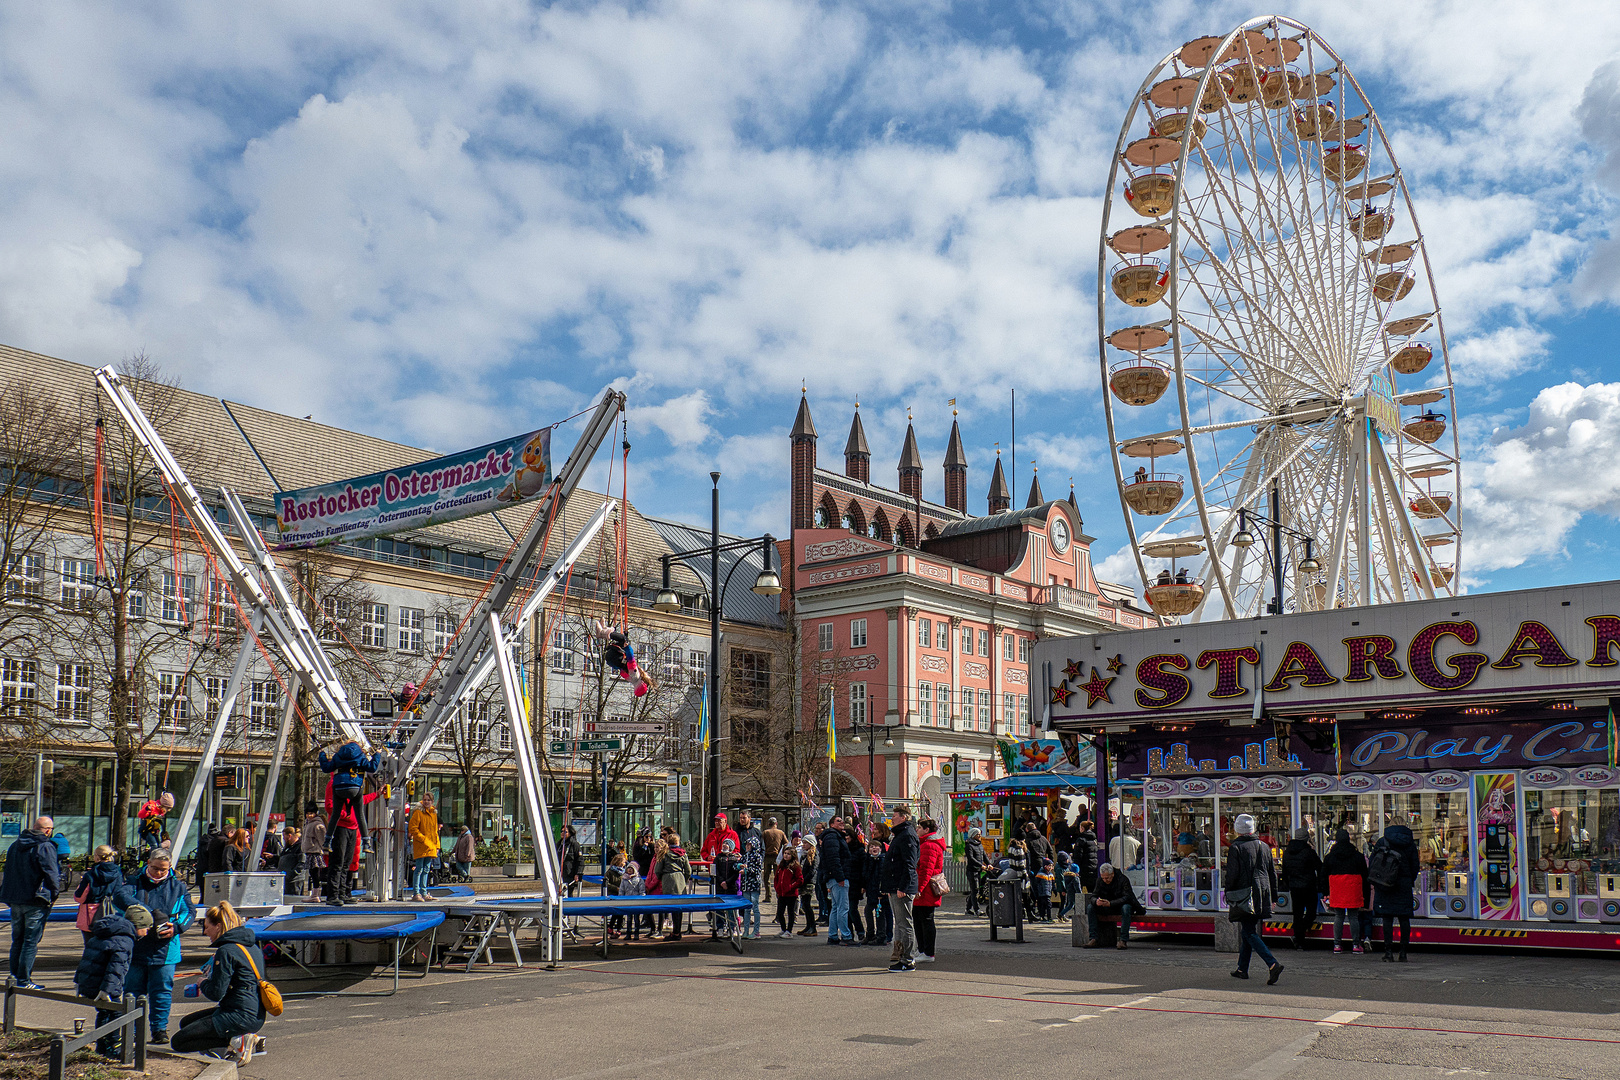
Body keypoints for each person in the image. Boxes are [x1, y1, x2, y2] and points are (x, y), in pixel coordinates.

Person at [115, 849, 194, 1044]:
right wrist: (149, 914)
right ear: (148, 863)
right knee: (132, 991)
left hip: (166, 948)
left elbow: (189, 911)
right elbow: (120, 899)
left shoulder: (178, 887)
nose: (159, 873)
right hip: (136, 946)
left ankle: (159, 1029)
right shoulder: (133, 881)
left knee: (162, 991)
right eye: (155, 868)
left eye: (164, 869)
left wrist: (176, 927)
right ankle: (132, 1030)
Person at [172, 901, 267, 1063]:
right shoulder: (250, 946)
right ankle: (235, 1041)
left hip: (239, 1014)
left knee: (179, 1041)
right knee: (186, 1023)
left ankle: (236, 1042)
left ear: (218, 926)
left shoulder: (226, 951)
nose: (205, 932)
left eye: (207, 927)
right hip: (254, 1011)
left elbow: (216, 993)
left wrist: (203, 983)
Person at [76, 903, 152, 1057]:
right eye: (147, 927)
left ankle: (101, 1046)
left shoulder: (109, 932)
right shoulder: (124, 940)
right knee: (117, 1013)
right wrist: (108, 991)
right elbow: (116, 968)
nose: (147, 931)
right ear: (138, 925)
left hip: (90, 981)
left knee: (104, 1013)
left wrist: (80, 983)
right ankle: (113, 1046)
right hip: (104, 986)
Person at [2, 815, 61, 990]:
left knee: (17, 939)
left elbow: (9, 871)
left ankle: (14, 977)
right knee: (30, 941)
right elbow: (51, 873)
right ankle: (24, 980)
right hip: (36, 899)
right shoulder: (45, 846)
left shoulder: (15, 845)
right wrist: (53, 894)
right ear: (48, 830)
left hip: (16, 899)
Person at [1224, 814, 1283, 985]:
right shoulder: (1264, 846)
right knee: (1248, 931)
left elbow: (1232, 874)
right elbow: (1272, 873)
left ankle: (1272, 963)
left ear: (1238, 830)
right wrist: (1275, 896)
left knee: (1249, 931)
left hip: (1245, 895)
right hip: (1262, 893)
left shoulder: (1236, 848)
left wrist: (1228, 891)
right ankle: (1242, 968)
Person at [323, 775, 379, 906]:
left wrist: (376, 794)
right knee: (338, 861)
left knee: (346, 862)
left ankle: (342, 893)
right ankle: (333, 895)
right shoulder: (335, 783)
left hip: (351, 827)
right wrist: (345, 815)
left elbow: (361, 800)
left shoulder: (352, 783)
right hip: (341, 826)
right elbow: (329, 805)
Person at [1370, 823, 1420, 962]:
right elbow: (1415, 865)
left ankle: (1388, 952)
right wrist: (1409, 879)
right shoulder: (1409, 843)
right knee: (1404, 919)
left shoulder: (1382, 841)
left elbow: (1373, 863)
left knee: (1387, 918)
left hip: (1386, 884)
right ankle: (1403, 953)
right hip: (1404, 885)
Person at [879, 806, 920, 972]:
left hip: (902, 886)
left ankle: (907, 959)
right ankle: (899, 955)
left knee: (905, 924)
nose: (892, 818)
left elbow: (910, 863)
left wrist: (903, 886)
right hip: (895, 885)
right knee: (900, 924)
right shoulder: (900, 834)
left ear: (903, 817)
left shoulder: (907, 835)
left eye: (894, 816)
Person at [318, 739, 382, 837]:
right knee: (360, 814)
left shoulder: (338, 757)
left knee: (335, 814)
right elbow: (372, 767)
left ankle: (327, 840)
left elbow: (326, 767)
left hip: (339, 787)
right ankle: (366, 841)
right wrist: (377, 754)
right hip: (355, 789)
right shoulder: (361, 756)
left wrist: (322, 755)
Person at [1324, 828, 1369, 955]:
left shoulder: (1330, 857)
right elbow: (1365, 876)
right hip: (1353, 888)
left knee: (1338, 916)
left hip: (1337, 888)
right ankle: (1356, 945)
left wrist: (1325, 892)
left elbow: (1323, 874)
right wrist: (1366, 895)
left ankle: (1337, 944)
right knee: (1353, 916)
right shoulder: (1357, 856)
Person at [1281, 828, 1325, 949]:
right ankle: (1300, 934)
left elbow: (1285, 871)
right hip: (1309, 886)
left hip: (1294, 887)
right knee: (1311, 913)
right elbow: (1319, 866)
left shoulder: (1287, 852)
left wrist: (1288, 883)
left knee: (1297, 913)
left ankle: (1298, 938)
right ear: (1306, 838)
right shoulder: (1308, 852)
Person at [590, 619, 656, 697]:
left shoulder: (636, 676)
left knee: (623, 640)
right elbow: (623, 670)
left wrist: (627, 648)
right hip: (612, 659)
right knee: (623, 639)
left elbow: (631, 661)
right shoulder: (631, 679)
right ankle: (604, 630)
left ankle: (602, 633)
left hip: (615, 657)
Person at [76, 845, 125, 944]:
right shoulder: (118, 872)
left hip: (90, 913)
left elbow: (79, 897)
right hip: (112, 910)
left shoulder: (91, 874)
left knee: (90, 944)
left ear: (97, 857)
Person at [914, 817, 946, 962]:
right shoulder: (926, 844)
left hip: (927, 889)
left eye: (919, 828)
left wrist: (919, 888)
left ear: (927, 830)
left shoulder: (929, 845)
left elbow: (926, 869)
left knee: (925, 920)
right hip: (924, 888)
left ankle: (927, 952)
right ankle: (922, 950)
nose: (917, 830)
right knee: (920, 919)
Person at [1086, 863, 1140, 948]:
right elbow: (1093, 895)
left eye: (1107, 878)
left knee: (1126, 908)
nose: (1105, 880)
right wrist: (1096, 901)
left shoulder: (1123, 880)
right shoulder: (1100, 881)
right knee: (1090, 907)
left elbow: (1127, 897)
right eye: (1103, 878)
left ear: (1112, 874)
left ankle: (1123, 940)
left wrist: (1111, 903)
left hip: (1119, 906)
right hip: (1106, 906)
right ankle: (1093, 938)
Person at [819, 816, 853, 945]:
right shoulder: (833, 837)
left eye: (842, 821)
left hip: (834, 877)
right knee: (842, 907)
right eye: (838, 821)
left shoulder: (834, 836)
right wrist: (840, 877)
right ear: (831, 824)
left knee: (835, 907)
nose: (842, 822)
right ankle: (846, 935)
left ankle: (833, 935)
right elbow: (834, 858)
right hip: (838, 878)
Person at [653, 834, 691, 940]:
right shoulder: (683, 854)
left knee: (671, 905)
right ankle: (677, 931)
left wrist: (661, 877)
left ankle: (674, 932)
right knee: (679, 907)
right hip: (680, 879)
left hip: (667, 879)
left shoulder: (664, 853)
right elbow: (688, 870)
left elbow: (658, 869)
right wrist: (685, 879)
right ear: (678, 842)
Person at [408, 794, 440, 902]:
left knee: (426, 869)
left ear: (432, 801)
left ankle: (424, 892)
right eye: (425, 800)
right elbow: (413, 828)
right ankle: (416, 893)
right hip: (422, 845)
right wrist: (423, 839)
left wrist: (437, 845)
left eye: (428, 800)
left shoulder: (433, 813)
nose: (426, 802)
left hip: (430, 845)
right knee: (419, 869)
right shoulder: (418, 812)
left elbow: (435, 831)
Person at [740, 832, 765, 940]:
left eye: (749, 845)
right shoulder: (745, 856)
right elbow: (738, 865)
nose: (747, 846)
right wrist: (738, 865)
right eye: (746, 845)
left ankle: (756, 931)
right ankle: (745, 930)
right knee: (746, 909)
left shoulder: (757, 857)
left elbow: (757, 870)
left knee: (755, 907)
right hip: (745, 885)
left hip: (754, 884)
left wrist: (746, 870)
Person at [300, 803, 326, 903]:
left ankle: (315, 895)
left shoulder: (317, 825)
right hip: (309, 852)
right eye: (307, 813)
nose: (309, 815)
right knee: (312, 873)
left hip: (315, 852)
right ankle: (314, 894)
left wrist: (324, 848)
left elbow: (322, 839)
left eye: (311, 813)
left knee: (315, 874)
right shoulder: (308, 823)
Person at [775, 849, 804, 937]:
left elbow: (800, 880)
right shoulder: (781, 866)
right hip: (782, 893)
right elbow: (776, 878)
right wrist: (777, 888)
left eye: (788, 854)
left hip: (791, 894)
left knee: (791, 912)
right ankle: (783, 929)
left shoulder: (795, 866)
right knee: (780, 913)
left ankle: (789, 931)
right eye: (785, 853)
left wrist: (791, 886)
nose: (786, 855)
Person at [796, 832, 819, 936]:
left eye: (806, 843)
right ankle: (808, 925)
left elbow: (812, 870)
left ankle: (812, 927)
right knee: (804, 905)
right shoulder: (804, 855)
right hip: (803, 882)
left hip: (809, 883)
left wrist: (804, 880)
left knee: (807, 905)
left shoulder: (814, 855)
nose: (803, 845)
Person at [963, 827, 989, 916]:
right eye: (978, 834)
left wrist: (989, 864)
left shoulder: (979, 845)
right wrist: (981, 865)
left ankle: (967, 908)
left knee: (975, 890)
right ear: (973, 835)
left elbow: (984, 856)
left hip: (978, 870)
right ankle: (976, 910)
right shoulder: (969, 846)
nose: (979, 836)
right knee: (975, 890)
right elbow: (971, 858)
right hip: (972, 871)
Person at [761, 817, 786, 901]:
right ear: (776, 823)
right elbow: (786, 844)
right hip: (777, 856)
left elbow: (761, 844)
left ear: (769, 824)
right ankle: (779, 895)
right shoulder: (781, 833)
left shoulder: (765, 832)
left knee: (766, 877)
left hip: (767, 857)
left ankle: (768, 896)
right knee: (778, 877)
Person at [620, 860, 645, 941]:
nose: (629, 870)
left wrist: (641, 899)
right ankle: (628, 933)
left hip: (636, 902)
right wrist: (620, 899)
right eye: (628, 868)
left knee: (637, 919)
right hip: (627, 901)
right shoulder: (624, 880)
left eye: (632, 868)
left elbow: (642, 891)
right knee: (629, 919)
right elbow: (621, 890)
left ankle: (636, 934)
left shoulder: (639, 880)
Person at [1074, 820, 1100, 892]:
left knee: (1078, 891)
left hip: (1083, 869)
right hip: (1093, 868)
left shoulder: (1081, 840)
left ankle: (1078, 903)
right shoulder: (1094, 839)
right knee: (1091, 891)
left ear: (1082, 828)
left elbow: (1078, 856)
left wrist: (1076, 868)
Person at [1057, 851, 1080, 922]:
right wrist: (1080, 893)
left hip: (1069, 892)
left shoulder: (1067, 877)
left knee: (1070, 904)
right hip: (1074, 893)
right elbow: (1077, 887)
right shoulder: (1075, 878)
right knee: (1072, 905)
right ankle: (1061, 914)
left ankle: (1061, 914)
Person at [1032, 857, 1055, 922]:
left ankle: (1048, 917)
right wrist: (1037, 892)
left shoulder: (1051, 874)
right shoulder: (1040, 874)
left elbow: (1053, 883)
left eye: (1051, 866)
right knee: (1043, 905)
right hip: (1042, 893)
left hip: (1048, 892)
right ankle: (1044, 917)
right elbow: (1036, 884)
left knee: (1048, 905)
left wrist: (1054, 889)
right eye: (1049, 866)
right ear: (1045, 866)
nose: (1050, 867)